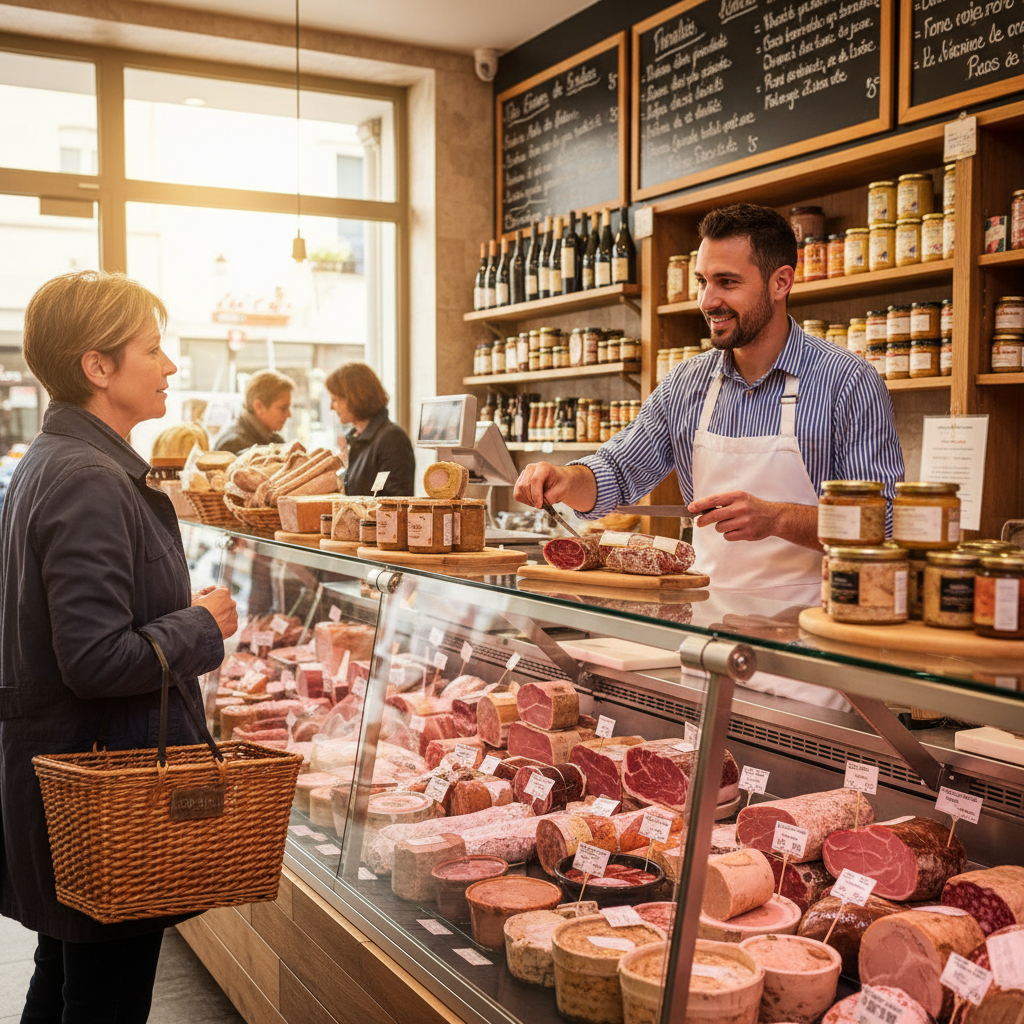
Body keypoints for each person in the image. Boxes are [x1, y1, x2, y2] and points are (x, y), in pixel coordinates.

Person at [0, 270, 238, 1023]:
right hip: (103, 786)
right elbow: (96, 658)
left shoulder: (53, 461)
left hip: (65, 780)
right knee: (103, 1000)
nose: (170, 367)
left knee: (63, 978)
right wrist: (203, 623)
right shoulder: (88, 478)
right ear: (97, 367)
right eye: (154, 350)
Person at [514, 203, 905, 603]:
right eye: (703, 281)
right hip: (706, 622)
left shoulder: (848, 382)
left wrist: (779, 518)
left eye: (727, 282)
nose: (706, 300)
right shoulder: (686, 384)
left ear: (781, 282)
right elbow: (616, 472)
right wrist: (565, 480)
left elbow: (887, 523)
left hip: (813, 627)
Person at [326, 362, 414, 497]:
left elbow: (395, 502)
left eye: (335, 399)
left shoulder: (392, 438)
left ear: (356, 397)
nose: (332, 407)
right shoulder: (356, 439)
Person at [214, 368, 294, 454]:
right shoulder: (232, 446)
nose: (289, 414)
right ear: (259, 407)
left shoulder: (274, 441)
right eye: (283, 408)